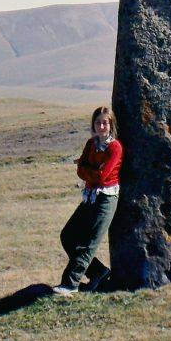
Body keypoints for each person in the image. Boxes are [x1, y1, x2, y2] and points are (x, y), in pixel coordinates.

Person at [53, 106, 122, 295]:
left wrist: (88, 170)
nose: (101, 126)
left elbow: (101, 176)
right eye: (98, 122)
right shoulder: (91, 144)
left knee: (89, 242)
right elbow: (82, 171)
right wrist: (90, 170)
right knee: (68, 235)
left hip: (106, 199)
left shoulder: (115, 147)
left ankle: (70, 283)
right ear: (93, 124)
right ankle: (98, 272)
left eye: (105, 122)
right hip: (90, 197)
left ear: (111, 124)